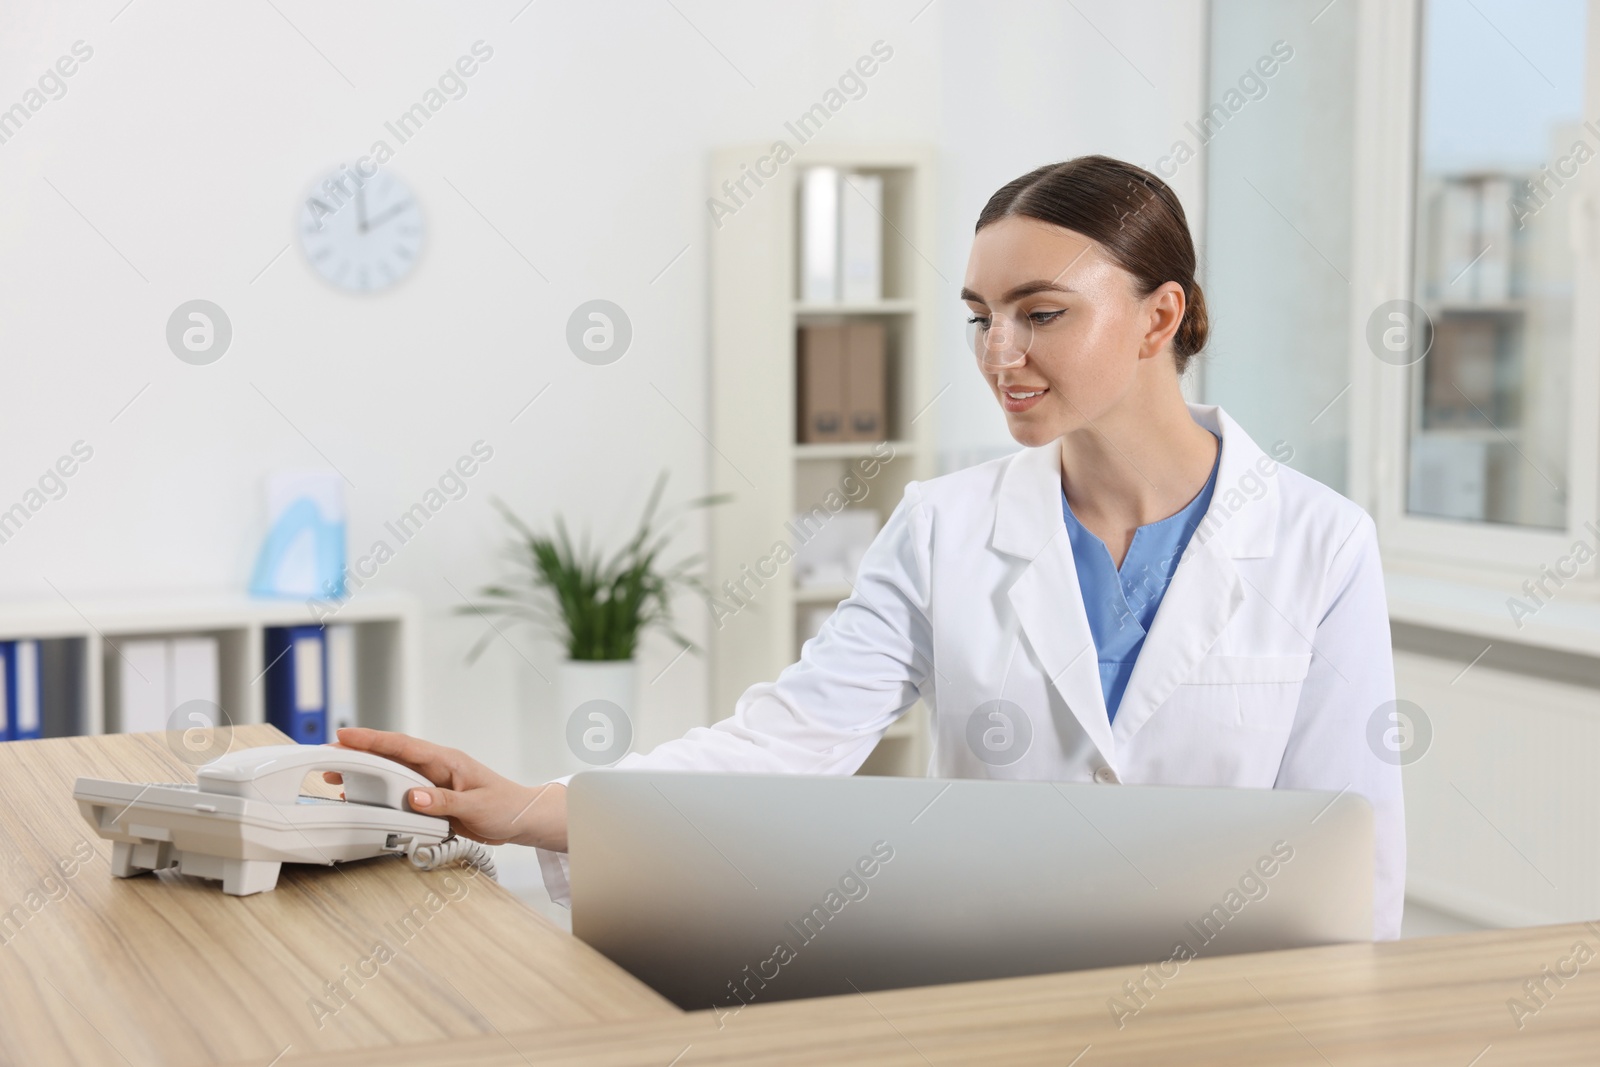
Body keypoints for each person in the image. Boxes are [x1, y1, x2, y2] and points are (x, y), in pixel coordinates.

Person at [333, 155, 1405, 939]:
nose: (1000, 353)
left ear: (1158, 315)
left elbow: (1353, 846)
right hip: (1001, 977)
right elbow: (788, 738)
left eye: (1039, 313)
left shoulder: (1317, 540)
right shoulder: (944, 523)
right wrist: (533, 805)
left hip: (1233, 1005)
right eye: (980, 315)